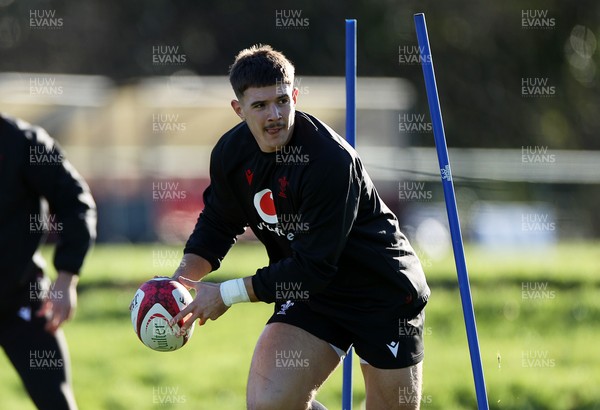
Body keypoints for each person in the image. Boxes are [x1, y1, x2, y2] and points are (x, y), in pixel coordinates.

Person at [170, 45, 430, 410]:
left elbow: (314, 266)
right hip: (312, 297)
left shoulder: (329, 161)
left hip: (381, 293)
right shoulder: (231, 153)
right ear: (238, 109)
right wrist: (177, 283)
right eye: (260, 106)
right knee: (269, 405)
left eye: (281, 101)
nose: (274, 115)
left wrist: (226, 294)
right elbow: (218, 222)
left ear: (295, 95)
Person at [0, 114, 96, 410]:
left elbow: (75, 201)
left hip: (21, 298)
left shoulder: (23, 142)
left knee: (56, 403)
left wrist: (67, 276)